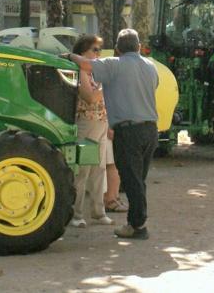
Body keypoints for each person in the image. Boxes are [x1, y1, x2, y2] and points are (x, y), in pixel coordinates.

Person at [67, 29, 159, 240]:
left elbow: (85, 64)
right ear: (138, 46)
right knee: (139, 180)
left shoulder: (114, 64)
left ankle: (137, 226)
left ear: (117, 48)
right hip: (150, 129)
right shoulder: (150, 66)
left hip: (129, 131)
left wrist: (69, 56)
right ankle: (137, 222)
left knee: (132, 180)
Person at [69, 35, 114, 228]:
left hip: (101, 123)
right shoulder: (81, 72)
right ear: (83, 53)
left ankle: (98, 211)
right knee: (83, 172)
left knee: (99, 169)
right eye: (94, 50)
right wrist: (109, 88)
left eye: (99, 50)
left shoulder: (96, 73)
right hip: (87, 124)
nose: (98, 54)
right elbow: (90, 97)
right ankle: (76, 214)